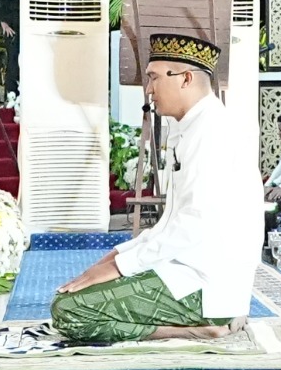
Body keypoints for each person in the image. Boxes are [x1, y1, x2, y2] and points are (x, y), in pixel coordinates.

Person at [51, 33, 260, 342]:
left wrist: (122, 267)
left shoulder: (213, 132)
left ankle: (198, 329)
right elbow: (172, 221)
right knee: (76, 294)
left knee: (70, 310)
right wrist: (116, 257)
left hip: (204, 286)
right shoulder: (194, 125)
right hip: (186, 271)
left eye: (154, 78)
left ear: (186, 78)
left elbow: (193, 224)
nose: (148, 90)